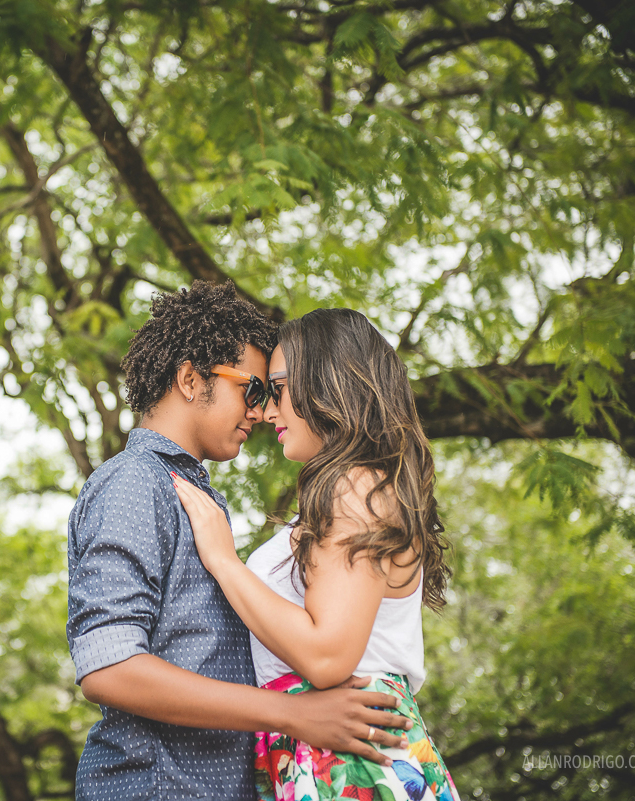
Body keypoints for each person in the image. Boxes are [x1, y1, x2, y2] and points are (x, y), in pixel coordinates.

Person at [67, 284, 414, 801]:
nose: (261, 410)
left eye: (271, 393)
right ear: (190, 379)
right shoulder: (135, 483)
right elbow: (108, 667)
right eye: (253, 390)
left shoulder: (198, 499)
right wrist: (289, 713)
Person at [173, 308, 461, 801]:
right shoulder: (356, 490)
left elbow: (327, 656)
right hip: (320, 748)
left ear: (328, 383)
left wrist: (223, 561)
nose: (267, 412)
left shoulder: (357, 488)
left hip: (351, 759)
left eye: (278, 390)